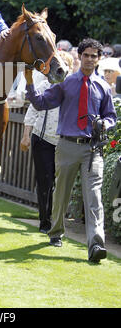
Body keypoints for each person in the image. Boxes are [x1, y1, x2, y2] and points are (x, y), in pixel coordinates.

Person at [25, 38, 116, 263]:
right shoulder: (66, 83)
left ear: (99, 59)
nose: (89, 59)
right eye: (86, 55)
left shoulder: (103, 87)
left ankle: (96, 244)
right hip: (66, 146)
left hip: (93, 149)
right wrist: (29, 84)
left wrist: (105, 124)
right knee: (61, 192)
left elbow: (111, 117)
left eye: (94, 56)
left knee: (94, 196)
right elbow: (40, 102)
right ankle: (55, 232)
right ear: (80, 57)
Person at [20, 51, 74, 233]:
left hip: (65, 142)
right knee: (44, 181)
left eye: (62, 65)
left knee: (61, 183)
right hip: (42, 139)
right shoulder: (43, 86)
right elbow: (32, 112)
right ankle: (45, 222)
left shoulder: (72, 90)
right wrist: (26, 136)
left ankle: (57, 220)